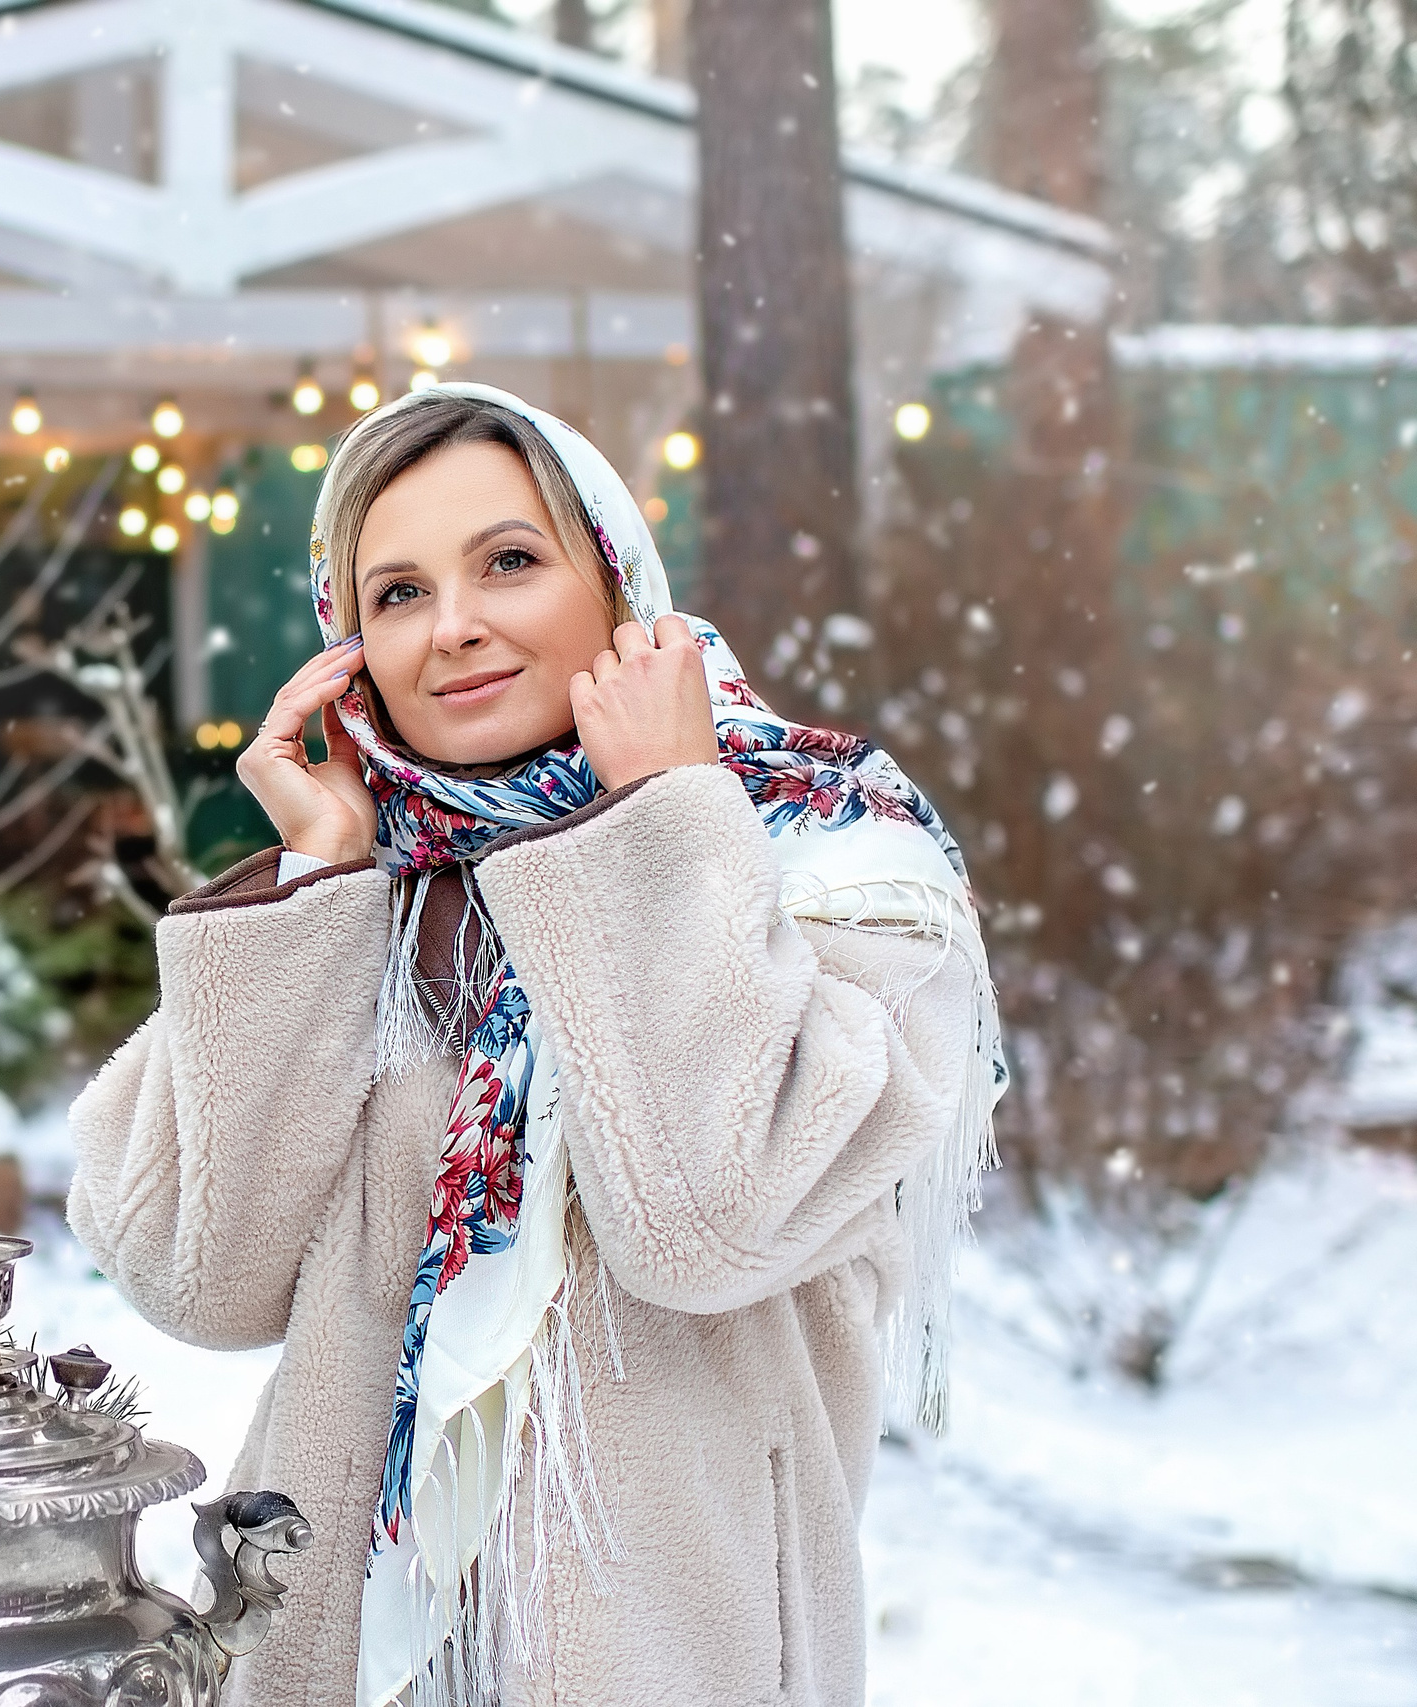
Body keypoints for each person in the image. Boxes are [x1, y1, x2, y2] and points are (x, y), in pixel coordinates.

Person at [67, 384, 1002, 1707]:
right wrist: (315, 878)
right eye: (395, 594)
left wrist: (665, 821)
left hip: (678, 1656)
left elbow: (714, 1222)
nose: (453, 628)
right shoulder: (366, 902)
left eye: (509, 561)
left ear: (617, 585)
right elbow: (195, 1277)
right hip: (336, 1657)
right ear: (349, 646)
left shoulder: (832, 866)